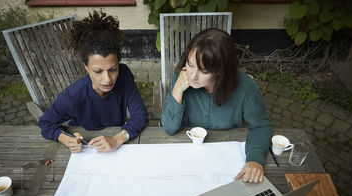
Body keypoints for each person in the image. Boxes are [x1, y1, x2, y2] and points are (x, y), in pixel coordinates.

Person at [161, 28, 271, 184]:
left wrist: (255, 159)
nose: (193, 76)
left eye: (204, 71)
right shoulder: (182, 77)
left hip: (227, 163)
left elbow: (260, 125)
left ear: (221, 71)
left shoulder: (245, 86)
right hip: (188, 160)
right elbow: (169, 128)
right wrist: (178, 89)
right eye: (190, 64)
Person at [39, 11, 148, 153]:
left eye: (113, 69)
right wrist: (67, 139)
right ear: (86, 67)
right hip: (85, 148)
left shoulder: (124, 75)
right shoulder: (72, 96)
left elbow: (140, 115)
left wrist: (118, 138)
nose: (107, 79)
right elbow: (45, 123)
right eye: (98, 71)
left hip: (116, 147)